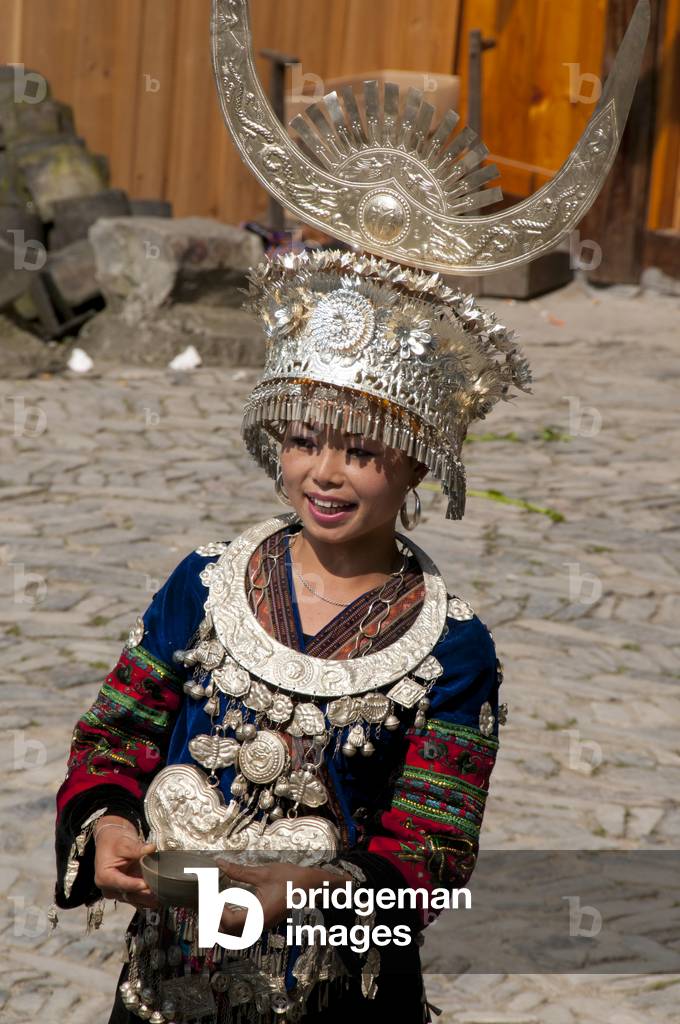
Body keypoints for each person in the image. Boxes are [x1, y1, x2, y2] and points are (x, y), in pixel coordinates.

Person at [53, 3, 648, 1021]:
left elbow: (428, 855)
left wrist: (306, 894)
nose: (325, 472)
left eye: (362, 449)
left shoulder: (449, 649)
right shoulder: (202, 586)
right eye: (304, 438)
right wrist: (107, 822)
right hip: (164, 988)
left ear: (417, 462)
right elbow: (116, 730)